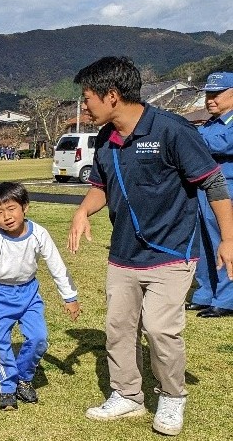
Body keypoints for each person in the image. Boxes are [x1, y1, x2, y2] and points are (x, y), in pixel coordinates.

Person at [68, 57, 233, 436]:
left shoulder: (172, 130)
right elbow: (100, 186)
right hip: (124, 254)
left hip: (172, 252)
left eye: (87, 97)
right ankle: (126, 395)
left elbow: (213, 183)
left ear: (112, 96)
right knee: (118, 328)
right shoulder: (106, 138)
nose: (84, 106)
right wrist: (82, 212)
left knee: (160, 330)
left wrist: (228, 239)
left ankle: (172, 398)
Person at [0, 182, 80, 411]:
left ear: (25, 207)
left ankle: (23, 378)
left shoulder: (38, 234)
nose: (7, 217)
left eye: (11, 209)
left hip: (29, 293)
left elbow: (55, 265)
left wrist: (69, 296)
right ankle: (7, 388)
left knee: (39, 338)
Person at [187, 72, 233, 317]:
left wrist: (192, 138)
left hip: (227, 189)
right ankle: (206, 293)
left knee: (223, 241)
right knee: (203, 244)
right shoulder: (210, 123)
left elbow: (221, 144)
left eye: (217, 93)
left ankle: (227, 299)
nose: (210, 99)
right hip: (205, 188)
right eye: (208, 94)